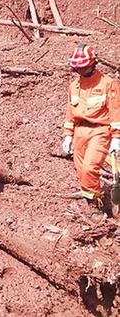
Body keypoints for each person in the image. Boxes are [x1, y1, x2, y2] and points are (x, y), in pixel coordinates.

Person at [62, 44, 120, 215]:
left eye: (84, 66)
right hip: (80, 132)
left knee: (89, 168)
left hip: (100, 131)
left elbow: (116, 112)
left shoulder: (108, 84)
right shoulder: (74, 86)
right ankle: (95, 201)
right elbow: (70, 112)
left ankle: (94, 209)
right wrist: (68, 135)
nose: (81, 70)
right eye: (78, 68)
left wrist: (116, 137)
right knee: (81, 172)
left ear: (93, 63)